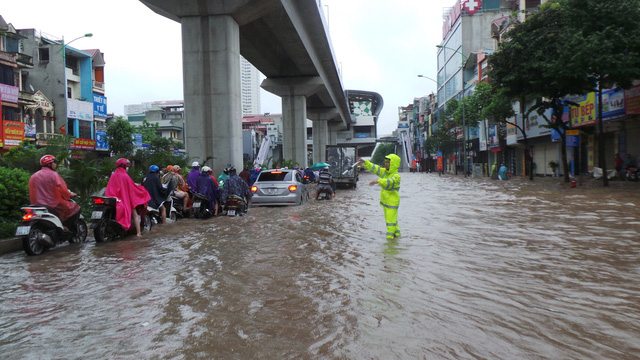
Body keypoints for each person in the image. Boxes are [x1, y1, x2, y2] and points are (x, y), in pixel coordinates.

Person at [28, 155, 81, 240]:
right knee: (75, 208)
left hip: (36, 205)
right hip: (52, 205)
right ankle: (65, 227)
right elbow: (62, 189)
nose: (55, 164)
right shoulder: (53, 175)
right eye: (54, 162)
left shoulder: (34, 176)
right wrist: (70, 195)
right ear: (49, 164)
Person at [358, 154, 401, 240]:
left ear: (393, 164)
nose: (386, 164)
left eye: (388, 162)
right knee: (393, 222)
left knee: (390, 222)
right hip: (386, 202)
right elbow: (375, 169)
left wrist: (378, 181)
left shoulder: (396, 176)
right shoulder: (385, 172)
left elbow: (389, 182)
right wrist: (366, 162)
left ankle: (390, 241)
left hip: (392, 203)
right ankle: (397, 236)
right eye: (386, 162)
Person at [105, 158, 151, 237]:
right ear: (124, 166)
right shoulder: (125, 176)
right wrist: (142, 190)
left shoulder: (113, 175)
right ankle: (138, 233)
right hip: (124, 200)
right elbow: (132, 189)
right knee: (135, 214)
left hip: (112, 199)